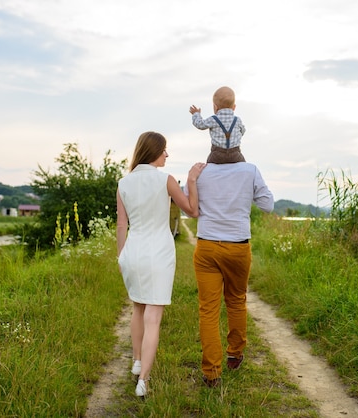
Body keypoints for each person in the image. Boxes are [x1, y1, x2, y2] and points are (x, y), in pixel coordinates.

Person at [116, 131, 206, 397]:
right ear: (153, 151)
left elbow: (123, 225)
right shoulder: (165, 180)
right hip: (159, 252)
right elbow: (192, 210)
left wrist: (121, 256)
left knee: (137, 308)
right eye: (165, 149)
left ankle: (136, 362)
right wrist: (191, 180)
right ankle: (143, 380)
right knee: (153, 317)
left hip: (132, 252)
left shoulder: (123, 183)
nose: (167, 154)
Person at [187, 162, 274, 387]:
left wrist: (193, 180)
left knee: (208, 309)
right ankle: (235, 354)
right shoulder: (250, 170)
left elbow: (188, 203)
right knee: (236, 300)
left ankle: (212, 372)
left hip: (207, 246)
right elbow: (268, 205)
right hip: (238, 246)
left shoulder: (201, 170)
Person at [189, 86, 247, 164]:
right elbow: (242, 131)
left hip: (217, 155)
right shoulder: (237, 120)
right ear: (234, 107)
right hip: (235, 154)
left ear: (215, 107)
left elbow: (200, 124)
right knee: (243, 165)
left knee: (209, 165)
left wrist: (196, 114)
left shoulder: (213, 119)